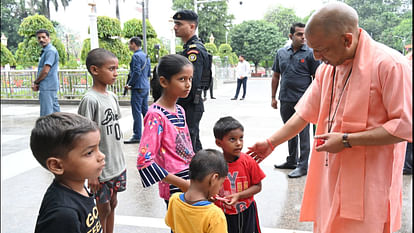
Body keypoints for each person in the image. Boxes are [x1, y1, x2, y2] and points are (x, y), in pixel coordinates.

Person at [248, 2, 412, 233]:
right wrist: (271, 143)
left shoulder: (390, 65)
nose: (316, 56)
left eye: (322, 50)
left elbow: (404, 126)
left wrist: (347, 140)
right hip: (331, 174)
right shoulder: (328, 68)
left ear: (346, 39)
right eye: (313, 49)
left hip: (370, 181)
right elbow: (304, 114)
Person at [78, 48, 127, 233]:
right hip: (100, 167)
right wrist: (92, 172)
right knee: (102, 208)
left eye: (116, 68)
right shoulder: (90, 100)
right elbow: (84, 137)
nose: (116, 73)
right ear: (94, 70)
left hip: (116, 164)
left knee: (113, 203)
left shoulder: (112, 96)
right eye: (111, 68)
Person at [30, 112, 105, 233]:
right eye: (89, 152)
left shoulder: (78, 187)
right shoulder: (63, 215)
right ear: (57, 165)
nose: (101, 156)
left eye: (98, 147)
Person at [137, 54, 195, 207]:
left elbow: (187, 147)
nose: (188, 84)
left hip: (189, 180)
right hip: (175, 187)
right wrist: (183, 184)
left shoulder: (180, 110)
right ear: (163, 81)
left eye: (190, 79)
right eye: (182, 79)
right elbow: (144, 161)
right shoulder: (156, 115)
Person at [271, 22, 321, 178]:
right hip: (285, 99)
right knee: (288, 131)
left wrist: (315, 101)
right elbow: (276, 76)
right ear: (291, 36)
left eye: (305, 34)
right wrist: (273, 97)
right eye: (299, 34)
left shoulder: (311, 54)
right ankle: (291, 160)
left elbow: (317, 78)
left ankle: (302, 165)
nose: (303, 37)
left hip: (303, 101)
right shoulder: (281, 53)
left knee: (303, 133)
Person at [213, 116, 265, 233]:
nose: (238, 143)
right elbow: (207, 187)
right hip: (221, 212)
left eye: (241, 138)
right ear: (218, 142)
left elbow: (258, 186)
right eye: (232, 139)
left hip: (245, 209)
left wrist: (239, 196)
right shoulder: (214, 163)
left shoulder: (249, 161)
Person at [165, 149, 228, 233]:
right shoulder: (215, 215)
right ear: (214, 178)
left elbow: (171, 225)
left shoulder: (174, 199)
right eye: (221, 183)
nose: (220, 188)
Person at [173, 9, 210, 152]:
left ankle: (194, 173)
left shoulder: (194, 50)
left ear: (192, 27)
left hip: (190, 104)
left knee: (189, 144)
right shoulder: (189, 48)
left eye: (179, 24)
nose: (175, 27)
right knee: (193, 142)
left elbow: (191, 84)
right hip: (189, 104)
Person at [124, 37, 151, 144]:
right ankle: (150, 133)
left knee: (136, 112)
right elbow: (148, 73)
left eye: (130, 44)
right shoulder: (146, 56)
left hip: (138, 87)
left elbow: (136, 72)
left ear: (134, 44)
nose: (129, 46)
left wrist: (129, 84)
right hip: (145, 86)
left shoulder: (135, 56)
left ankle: (137, 135)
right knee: (145, 112)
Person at [31, 29, 60, 116]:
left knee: (46, 113)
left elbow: (45, 71)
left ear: (49, 38)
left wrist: (36, 82)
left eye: (43, 37)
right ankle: (61, 128)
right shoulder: (47, 51)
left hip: (48, 86)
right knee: (55, 112)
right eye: (39, 38)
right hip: (49, 85)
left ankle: (47, 130)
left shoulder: (50, 51)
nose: (41, 40)